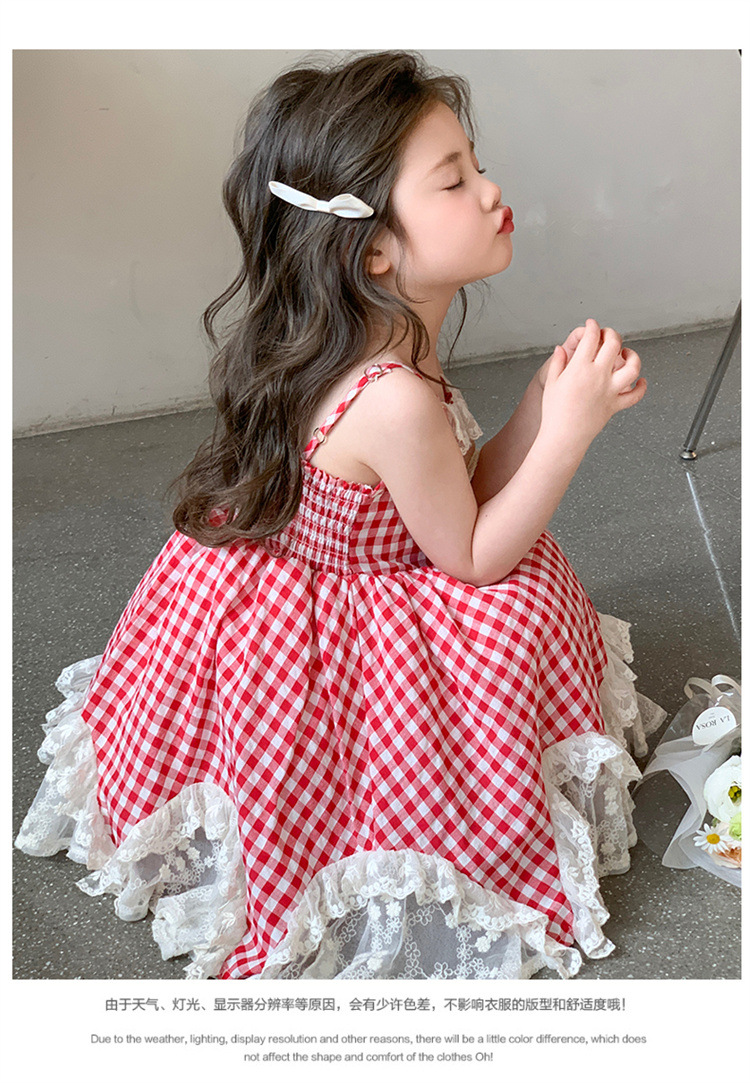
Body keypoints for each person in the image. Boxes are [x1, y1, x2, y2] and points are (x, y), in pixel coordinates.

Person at [16, 50, 665, 980]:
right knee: (510, 603)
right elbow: (470, 554)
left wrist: (537, 403)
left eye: (477, 166)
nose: (491, 192)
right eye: (454, 180)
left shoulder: (381, 329)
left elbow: (453, 484)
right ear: (373, 250)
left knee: (527, 576)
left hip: (343, 560)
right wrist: (571, 430)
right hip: (320, 623)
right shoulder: (388, 392)